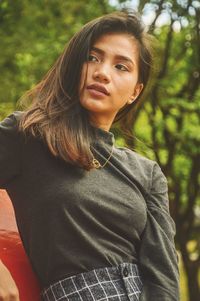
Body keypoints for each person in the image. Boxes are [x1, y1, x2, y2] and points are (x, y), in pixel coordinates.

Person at [0, 10, 179, 301]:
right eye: (92, 57)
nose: (102, 72)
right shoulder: (29, 134)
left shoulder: (147, 173)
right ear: (74, 64)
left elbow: (163, 281)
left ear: (135, 91)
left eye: (121, 66)